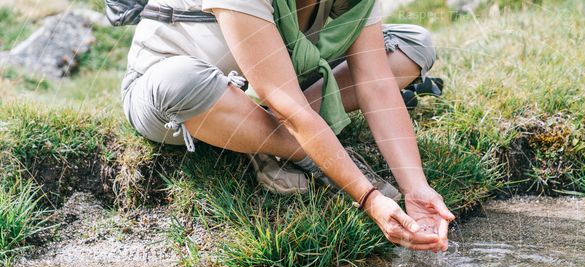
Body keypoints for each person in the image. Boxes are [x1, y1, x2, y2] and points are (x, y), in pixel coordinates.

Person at [120, 0, 454, 251]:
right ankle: (299, 149)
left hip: (276, 83)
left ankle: (263, 134)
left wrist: (416, 186)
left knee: (411, 44)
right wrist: (367, 195)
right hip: (173, 97)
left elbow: (376, 82)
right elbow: (290, 106)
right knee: (179, 82)